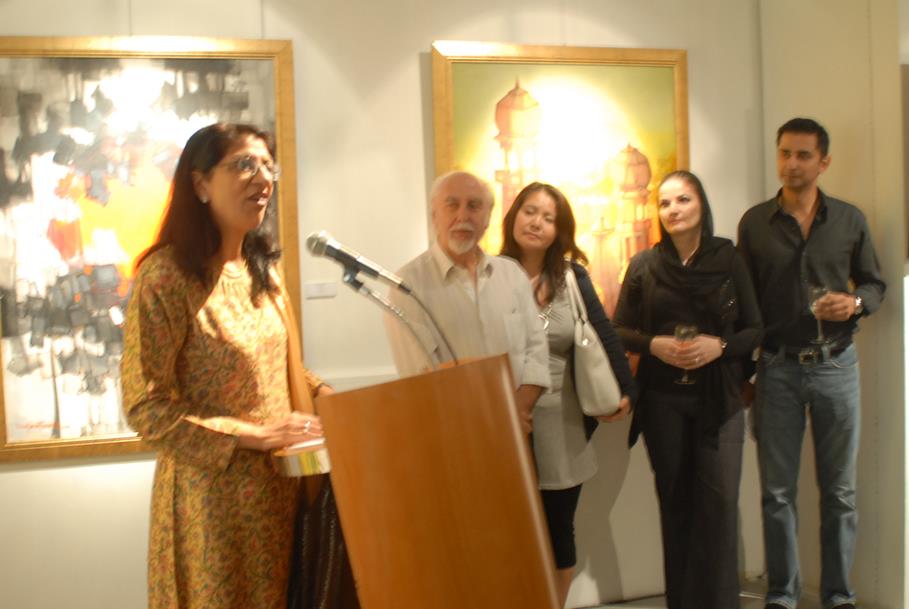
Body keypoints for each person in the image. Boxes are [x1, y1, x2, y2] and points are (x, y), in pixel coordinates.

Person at [122, 123, 329, 609]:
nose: (263, 178)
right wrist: (254, 434)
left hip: (281, 495)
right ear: (200, 184)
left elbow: (282, 368)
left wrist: (336, 400)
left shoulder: (263, 272)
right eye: (244, 164)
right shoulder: (166, 277)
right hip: (211, 508)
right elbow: (146, 407)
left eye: (268, 166)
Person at [738, 118, 885, 609]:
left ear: (824, 162)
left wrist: (854, 303)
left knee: (840, 492)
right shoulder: (754, 224)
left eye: (803, 155)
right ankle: (783, 594)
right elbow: (745, 305)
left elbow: (875, 284)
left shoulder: (849, 220)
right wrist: (745, 374)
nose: (792, 164)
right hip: (777, 367)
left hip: (836, 365)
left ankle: (839, 595)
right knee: (777, 493)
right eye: (785, 153)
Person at [613, 170, 763, 609]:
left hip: (720, 399)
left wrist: (720, 346)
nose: (673, 209)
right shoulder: (645, 264)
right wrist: (653, 345)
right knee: (675, 505)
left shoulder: (728, 258)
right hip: (663, 401)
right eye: (664, 203)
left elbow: (755, 329)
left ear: (701, 206)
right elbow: (618, 330)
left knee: (719, 508)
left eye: (683, 200)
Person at [499, 181, 636, 607]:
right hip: (505, 422)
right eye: (529, 211)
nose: (536, 223)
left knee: (559, 529)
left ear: (559, 231)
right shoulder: (491, 274)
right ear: (513, 217)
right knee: (510, 530)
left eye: (548, 218)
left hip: (562, 423)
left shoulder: (572, 278)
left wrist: (626, 389)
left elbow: (604, 332)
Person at [384, 170, 549, 434]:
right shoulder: (407, 285)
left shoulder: (511, 275)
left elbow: (536, 351)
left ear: (487, 219)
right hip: (452, 434)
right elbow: (420, 374)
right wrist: (487, 420)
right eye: (452, 205)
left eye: (474, 206)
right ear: (434, 216)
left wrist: (518, 409)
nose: (463, 216)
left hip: (516, 428)